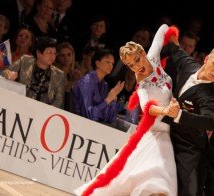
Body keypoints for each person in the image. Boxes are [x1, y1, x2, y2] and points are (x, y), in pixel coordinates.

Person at [74, 24, 179, 196]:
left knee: (142, 178)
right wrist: (166, 111)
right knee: (157, 181)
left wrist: (173, 37)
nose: (137, 67)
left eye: (137, 60)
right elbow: (147, 108)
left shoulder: (153, 57)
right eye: (131, 65)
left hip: (167, 131)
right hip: (156, 133)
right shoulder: (143, 84)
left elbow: (161, 29)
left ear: (143, 53)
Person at [161, 33, 214, 195]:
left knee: (185, 190)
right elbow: (174, 48)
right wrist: (152, 63)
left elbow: (210, 121)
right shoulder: (190, 65)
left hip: (188, 146)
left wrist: (179, 115)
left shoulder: (208, 96)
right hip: (168, 131)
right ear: (206, 59)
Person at [3, 36, 66, 109]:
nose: (52, 56)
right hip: (19, 105)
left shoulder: (59, 74)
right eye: (49, 52)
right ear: (38, 53)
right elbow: (6, 72)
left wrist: (48, 111)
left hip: (43, 112)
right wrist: (9, 74)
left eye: (55, 54)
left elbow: (59, 100)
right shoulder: (25, 61)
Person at [71, 48, 124, 123]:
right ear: (97, 63)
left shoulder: (104, 85)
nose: (111, 65)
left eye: (112, 63)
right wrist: (108, 99)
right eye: (107, 62)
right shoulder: (87, 82)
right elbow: (88, 115)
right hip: (77, 124)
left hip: (95, 127)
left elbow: (109, 119)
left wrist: (113, 99)